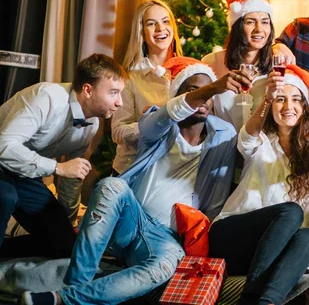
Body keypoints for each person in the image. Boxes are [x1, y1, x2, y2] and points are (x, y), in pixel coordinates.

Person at [21, 57, 245, 305]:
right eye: (194, 90)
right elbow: (160, 119)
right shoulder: (157, 122)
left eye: (208, 93)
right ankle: (77, 284)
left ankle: (63, 299)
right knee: (111, 185)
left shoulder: (224, 135)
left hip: (165, 238)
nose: (203, 98)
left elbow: (216, 198)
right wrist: (211, 87)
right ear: (177, 97)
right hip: (129, 218)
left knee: (164, 266)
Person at [209, 64, 309, 305]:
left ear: (305, 107)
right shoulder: (261, 140)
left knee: (307, 236)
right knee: (291, 211)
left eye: (296, 100)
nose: (288, 106)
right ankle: (250, 298)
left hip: (270, 251)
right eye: (280, 100)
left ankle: (265, 302)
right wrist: (266, 99)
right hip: (232, 237)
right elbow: (246, 140)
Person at [0, 54, 126, 259]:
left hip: (24, 173)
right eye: (114, 93)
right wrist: (57, 168)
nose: (119, 102)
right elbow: (4, 145)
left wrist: (67, 222)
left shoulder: (91, 124)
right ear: (87, 90)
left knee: (65, 245)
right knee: (6, 196)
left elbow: (72, 176)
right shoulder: (47, 97)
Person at [111, 0, 184, 174]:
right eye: (151, 24)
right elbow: (118, 131)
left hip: (173, 172)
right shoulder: (129, 78)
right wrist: (154, 121)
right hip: (134, 170)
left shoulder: (188, 73)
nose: (160, 29)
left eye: (165, 21)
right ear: (142, 32)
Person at [202, 0, 273, 131]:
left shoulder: (276, 65)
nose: (259, 29)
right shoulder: (210, 63)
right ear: (237, 26)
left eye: (265, 22)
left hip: (261, 148)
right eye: (250, 22)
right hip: (223, 146)